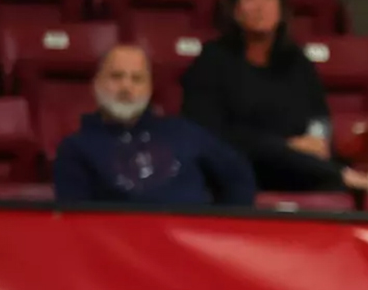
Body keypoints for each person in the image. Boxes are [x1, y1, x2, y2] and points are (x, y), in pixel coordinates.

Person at [180, 0, 368, 193]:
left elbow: (319, 116)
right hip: (240, 168)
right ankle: (344, 177)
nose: (261, 6)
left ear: (281, 9)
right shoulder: (212, 60)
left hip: (299, 168)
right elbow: (211, 132)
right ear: (235, 9)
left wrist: (316, 140)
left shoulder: (296, 61)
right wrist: (285, 147)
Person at [54, 43, 255, 207]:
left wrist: (217, 229)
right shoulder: (76, 149)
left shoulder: (184, 132)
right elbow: (77, 223)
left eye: (137, 79)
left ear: (149, 88)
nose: (126, 87)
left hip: (190, 248)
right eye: (116, 77)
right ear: (96, 84)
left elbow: (239, 176)